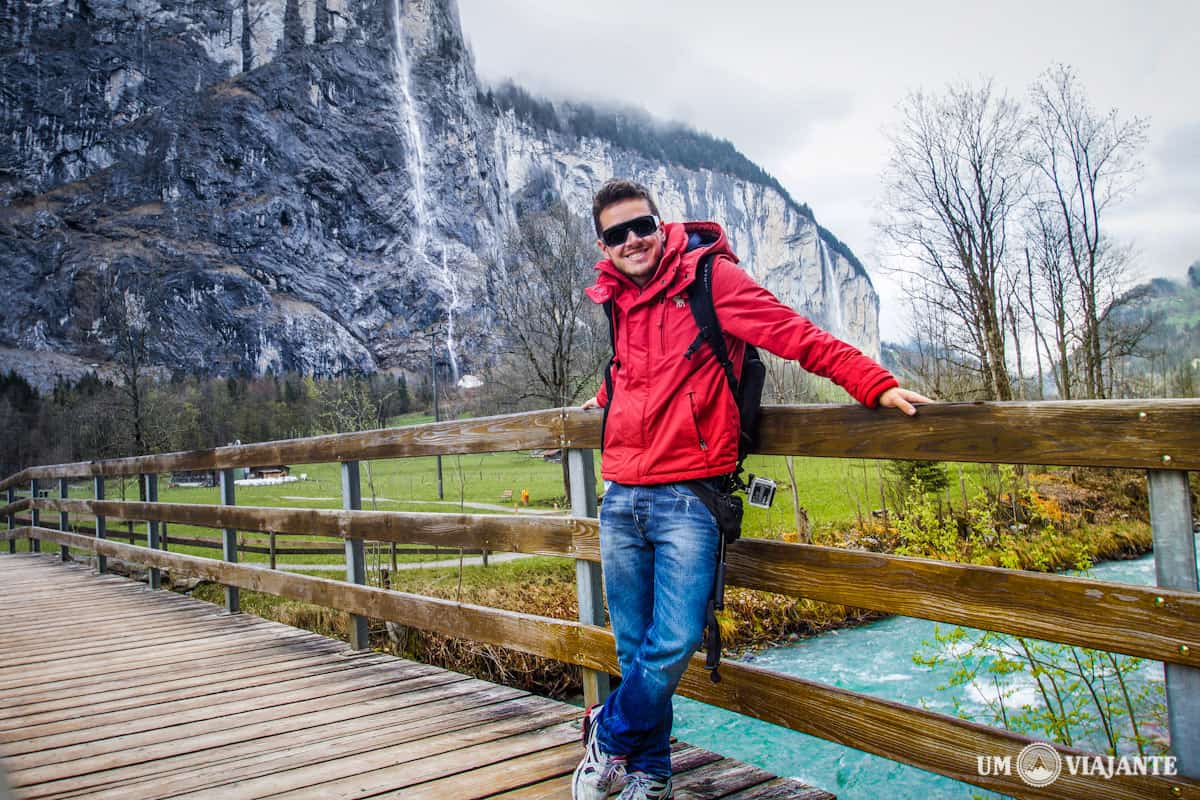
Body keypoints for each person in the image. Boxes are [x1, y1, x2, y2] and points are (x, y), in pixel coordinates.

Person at [573, 179, 931, 800]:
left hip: (689, 496)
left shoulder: (713, 281)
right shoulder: (617, 301)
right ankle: (649, 776)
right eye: (616, 234)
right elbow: (636, 372)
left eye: (641, 226)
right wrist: (602, 399)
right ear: (604, 246)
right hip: (622, 495)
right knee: (634, 647)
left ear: (661, 226)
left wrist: (873, 382)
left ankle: (608, 733)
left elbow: (798, 336)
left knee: (676, 639)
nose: (632, 240)